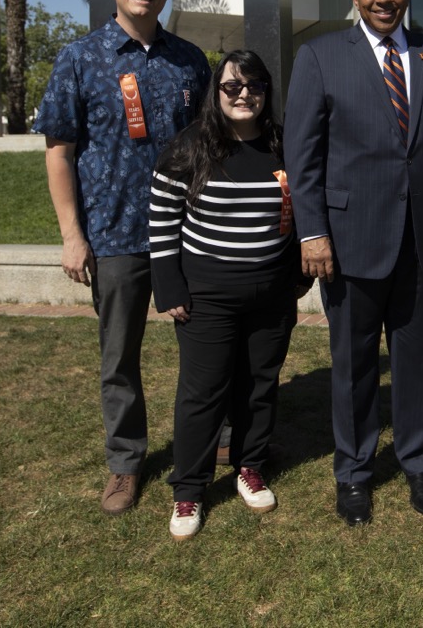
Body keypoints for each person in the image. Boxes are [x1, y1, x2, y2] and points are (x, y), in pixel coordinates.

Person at [283, 0, 423, 526]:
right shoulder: (319, 56)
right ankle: (354, 471)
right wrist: (313, 232)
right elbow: (303, 154)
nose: (384, 0)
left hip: (421, 240)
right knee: (353, 363)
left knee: (417, 359)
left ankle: (417, 460)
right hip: (347, 241)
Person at [34, 0, 211, 516]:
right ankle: (125, 463)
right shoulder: (79, 58)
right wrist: (71, 235)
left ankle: (222, 440)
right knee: (119, 359)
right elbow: (58, 151)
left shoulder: (191, 61)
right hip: (114, 235)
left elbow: (212, 146)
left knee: (209, 347)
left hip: (188, 233)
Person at [148, 50, 302, 540]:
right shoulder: (189, 147)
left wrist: (299, 276)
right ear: (216, 93)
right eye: (232, 87)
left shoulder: (284, 144)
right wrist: (168, 284)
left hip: (272, 292)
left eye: (254, 86)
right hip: (206, 296)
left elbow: (303, 209)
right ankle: (189, 489)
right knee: (203, 393)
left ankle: (250, 465)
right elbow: (161, 220)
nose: (244, 95)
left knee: (259, 384)